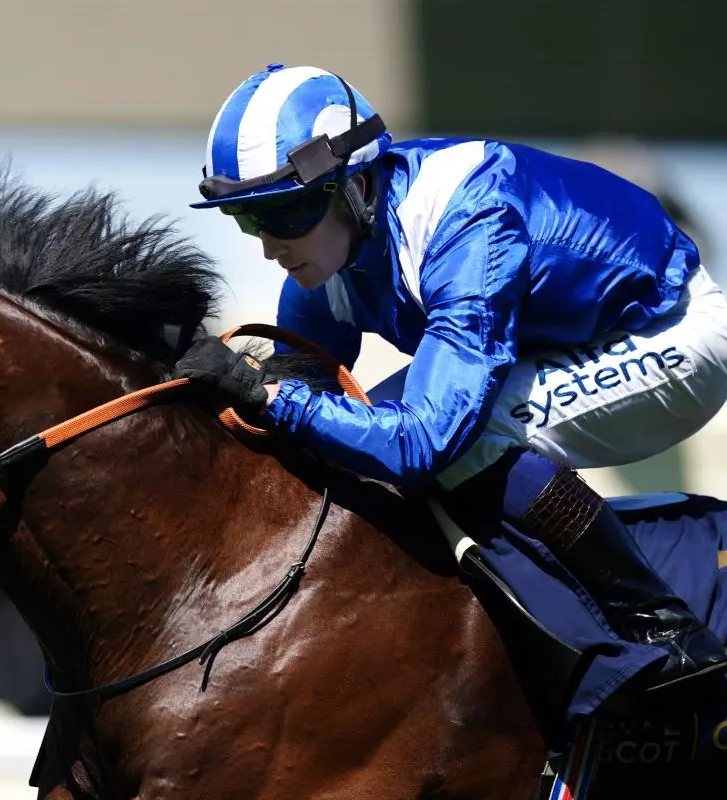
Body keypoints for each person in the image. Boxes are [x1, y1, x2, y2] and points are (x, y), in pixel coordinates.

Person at [174, 64, 727, 694]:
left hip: (676, 333)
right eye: (251, 220)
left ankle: (669, 636)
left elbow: (423, 443)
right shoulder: (329, 252)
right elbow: (300, 401)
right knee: (352, 435)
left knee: (463, 437)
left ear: (356, 186)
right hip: (567, 340)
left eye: (287, 212)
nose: (270, 245)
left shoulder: (469, 224)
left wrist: (267, 394)